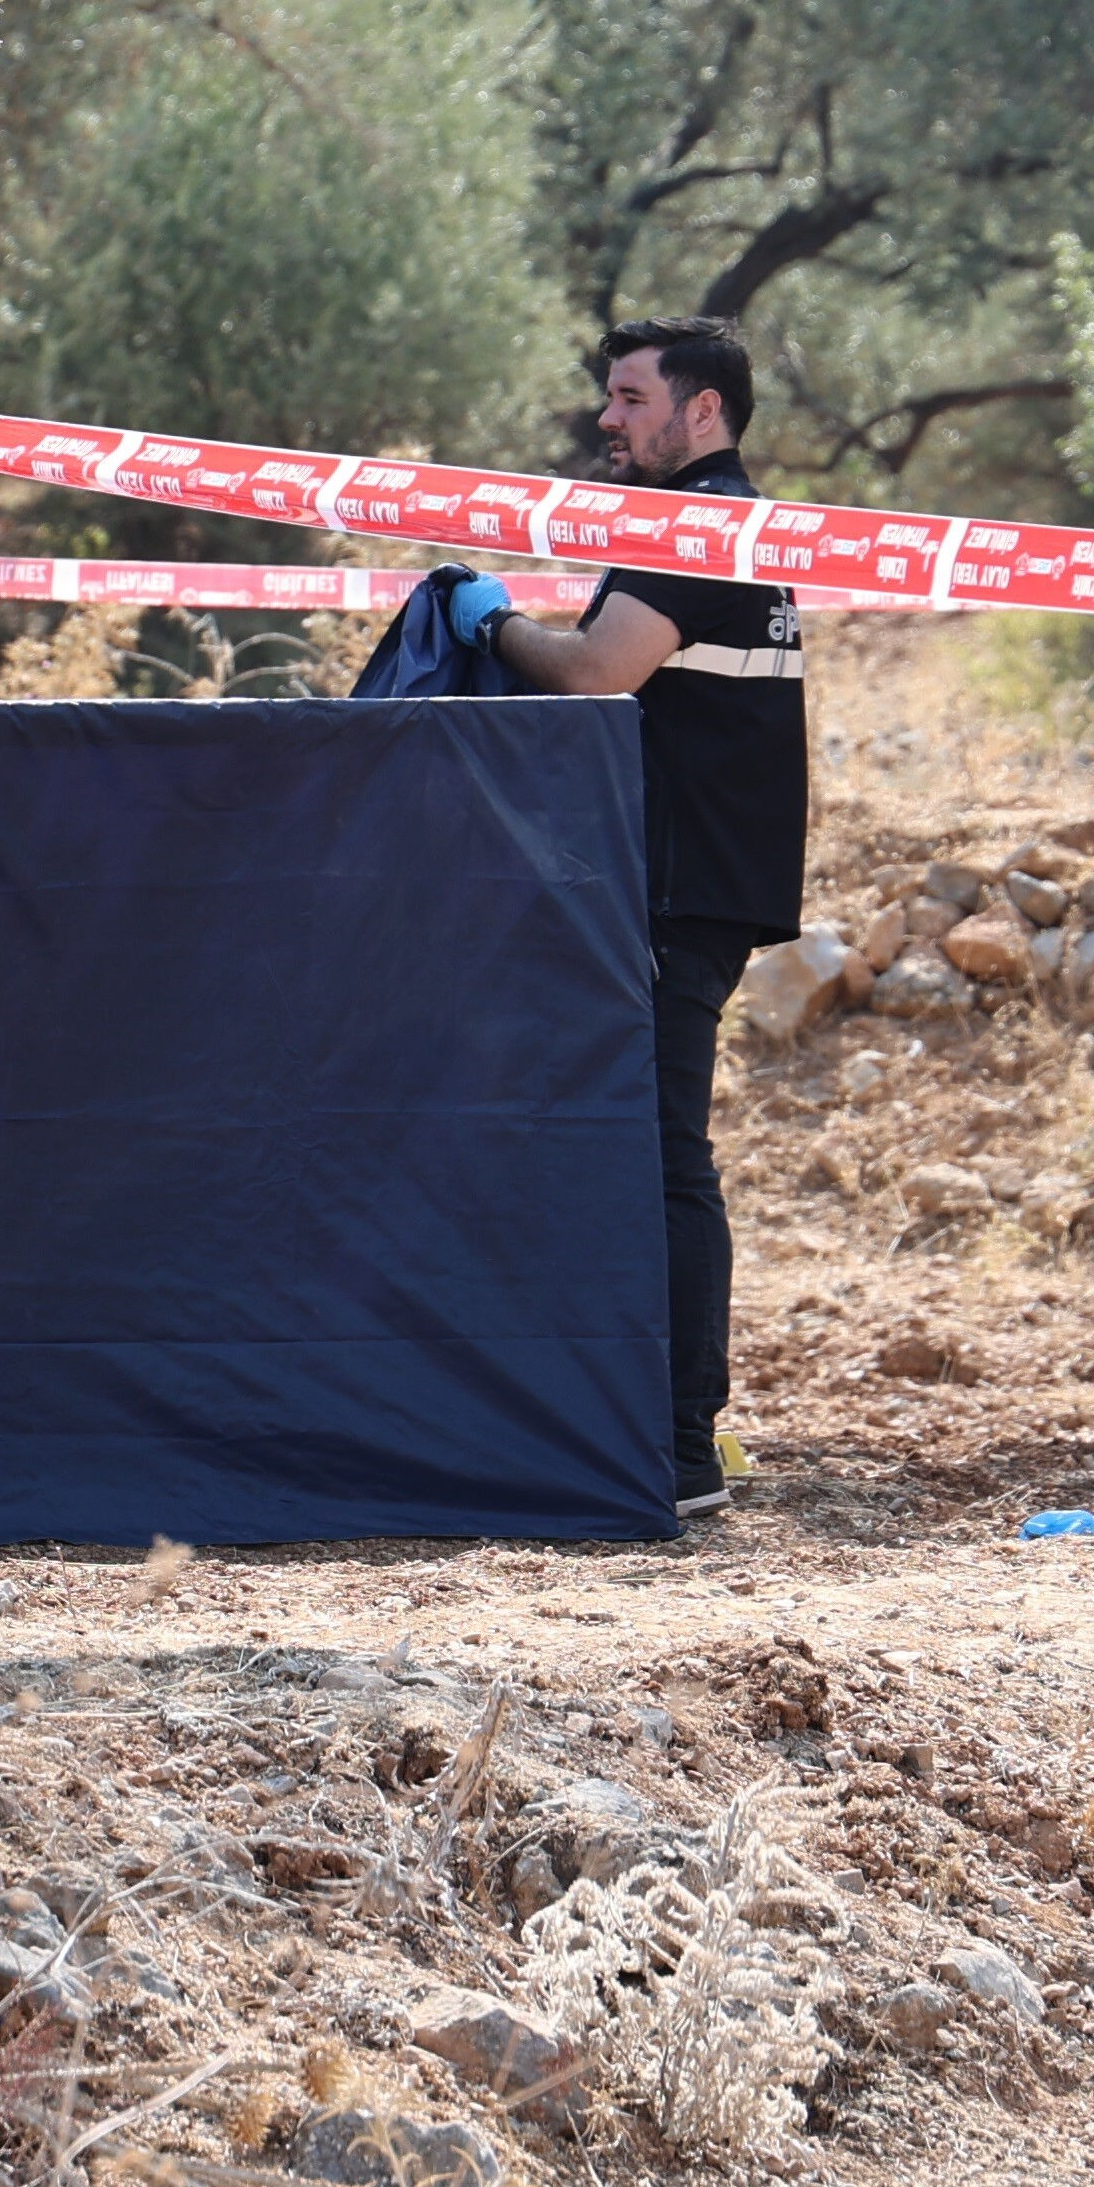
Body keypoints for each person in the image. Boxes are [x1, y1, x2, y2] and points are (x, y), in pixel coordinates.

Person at [444, 316, 806, 1518]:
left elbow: (600, 669)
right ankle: (651, 1418)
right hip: (692, 881)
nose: (609, 417)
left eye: (632, 396)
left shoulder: (695, 525)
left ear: (703, 412)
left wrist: (490, 624)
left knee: (661, 1155)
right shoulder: (714, 523)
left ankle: (682, 1440)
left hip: (677, 885)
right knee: (650, 1148)